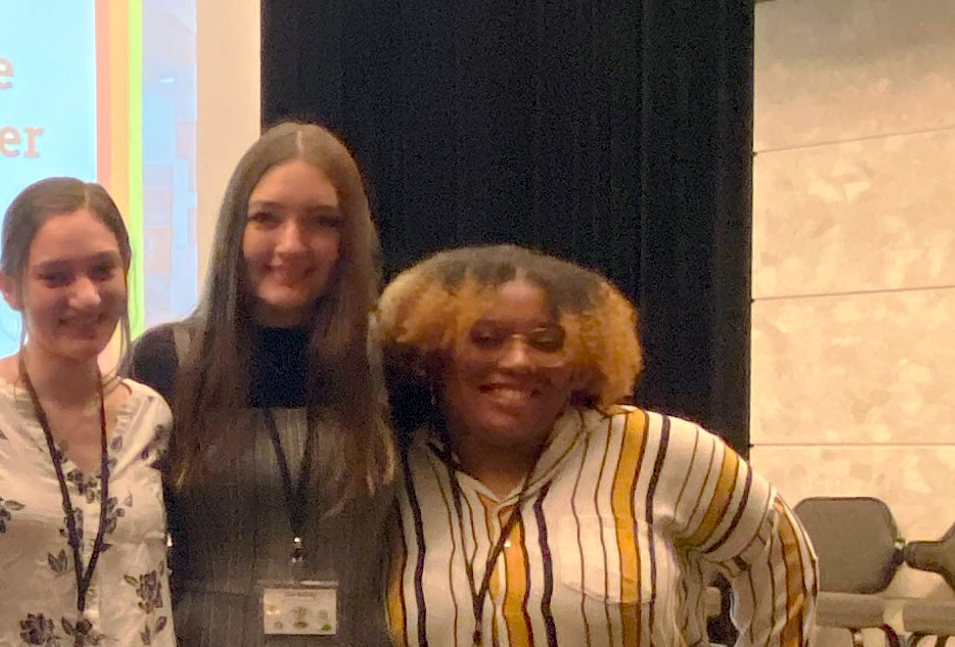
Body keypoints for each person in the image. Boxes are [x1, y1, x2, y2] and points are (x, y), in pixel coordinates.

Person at [375, 244, 816, 647]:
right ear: (431, 351)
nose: (517, 361)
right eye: (485, 339)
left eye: (547, 342)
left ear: (584, 357)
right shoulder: (384, 470)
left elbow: (782, 556)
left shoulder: (659, 452)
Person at [125, 122, 397, 646]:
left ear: (350, 239)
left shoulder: (392, 364)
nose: (292, 245)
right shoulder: (166, 363)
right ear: (234, 231)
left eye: (321, 222)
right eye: (266, 218)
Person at [0, 177, 176, 647]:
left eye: (103, 270)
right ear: (9, 288)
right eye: (56, 277)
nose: (87, 296)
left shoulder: (151, 416)